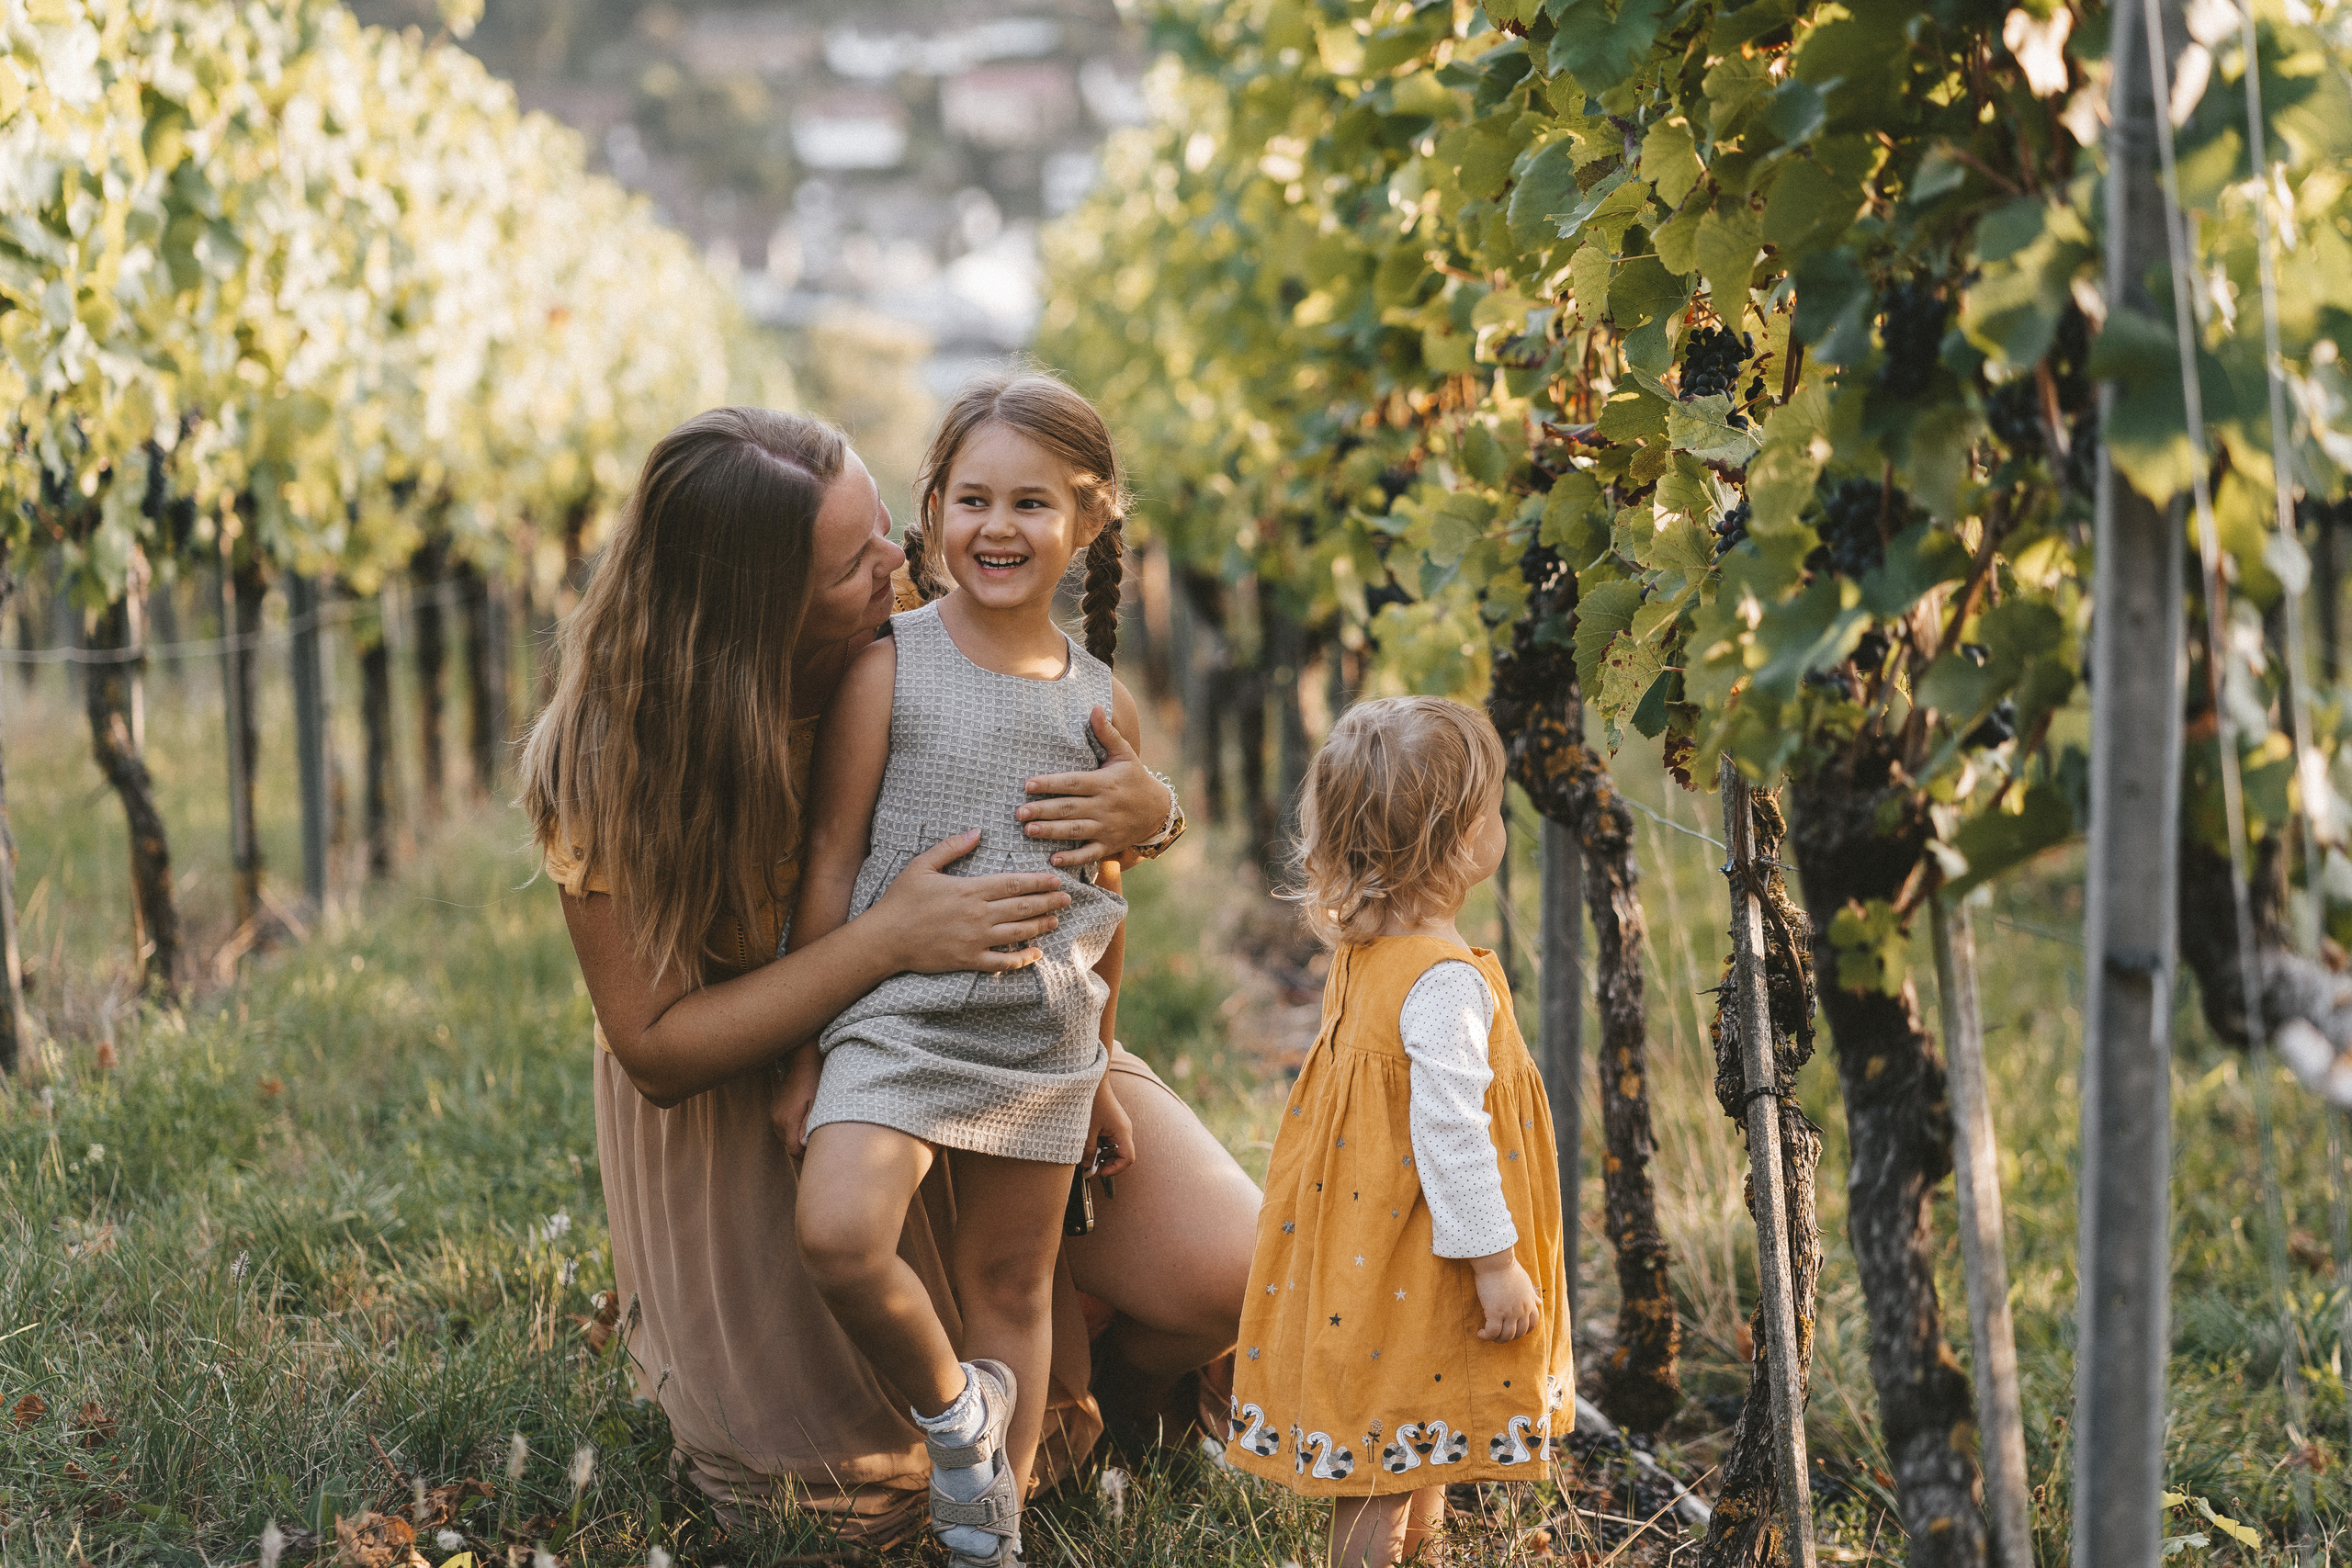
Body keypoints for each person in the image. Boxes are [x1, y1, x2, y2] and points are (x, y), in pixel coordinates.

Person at [520, 404, 1260, 1548]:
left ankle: (1092, 1369)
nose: (899, 563)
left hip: (1011, 1029)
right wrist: (882, 943)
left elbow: (1078, 835)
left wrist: (1151, 814)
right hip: (780, 1095)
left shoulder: (934, 626)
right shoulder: (619, 757)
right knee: (851, 1494)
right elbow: (659, 1052)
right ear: (761, 612)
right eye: (855, 561)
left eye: (886, 528)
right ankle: (1004, 1394)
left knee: (1232, 1272)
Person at [773, 374, 1146, 1568]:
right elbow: (830, 865)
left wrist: (1105, 1067)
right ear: (931, 510)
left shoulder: (1101, 704)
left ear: (1089, 519)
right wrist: (803, 1050)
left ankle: (994, 1533)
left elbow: (1106, 902)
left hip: (1043, 1039)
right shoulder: (892, 664)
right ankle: (956, 1415)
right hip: (894, 1016)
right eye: (973, 497)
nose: (997, 526)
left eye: (1032, 502)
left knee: (1013, 1286)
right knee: (838, 1229)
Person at [1227, 696, 1573, 1568]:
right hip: (1423, 1248)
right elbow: (1452, 1133)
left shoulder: (1368, 953)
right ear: (1458, 842)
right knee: (1387, 1443)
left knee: (1414, 1416)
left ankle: (1426, 1555)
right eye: (1492, 808)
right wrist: (1495, 1262)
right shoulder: (1445, 982)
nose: (1502, 820)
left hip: (1369, 1237)